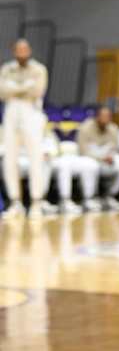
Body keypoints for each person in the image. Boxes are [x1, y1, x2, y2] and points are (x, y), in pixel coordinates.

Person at [0, 39, 51, 219]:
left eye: (25, 49)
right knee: (10, 158)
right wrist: (24, 88)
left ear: (29, 51)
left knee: (35, 157)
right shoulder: (6, 69)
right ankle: (15, 202)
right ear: (14, 52)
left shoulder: (39, 69)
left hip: (31, 112)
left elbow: (37, 91)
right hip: (11, 113)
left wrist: (14, 89)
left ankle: (36, 201)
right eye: (18, 50)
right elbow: (2, 92)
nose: (22, 52)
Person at [77, 107, 119, 210]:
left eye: (108, 116)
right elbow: (83, 151)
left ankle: (110, 195)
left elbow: (115, 148)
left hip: (107, 160)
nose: (106, 119)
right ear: (97, 117)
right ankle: (89, 198)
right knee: (91, 165)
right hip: (90, 159)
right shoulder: (85, 128)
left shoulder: (113, 128)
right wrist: (101, 158)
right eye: (103, 116)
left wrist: (111, 156)